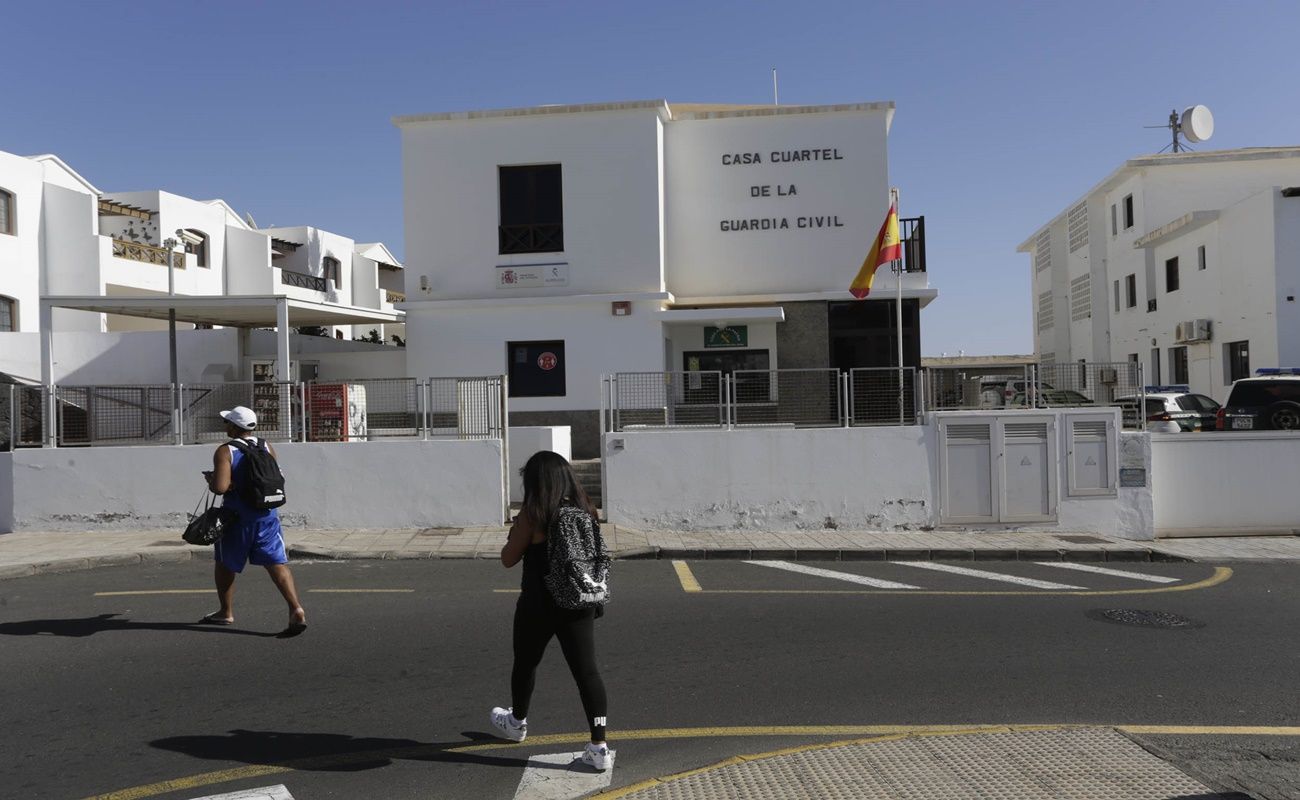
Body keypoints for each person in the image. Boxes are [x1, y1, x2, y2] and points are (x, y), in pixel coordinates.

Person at [490, 450, 613, 770]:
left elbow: (507, 558)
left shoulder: (534, 513)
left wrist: (516, 529)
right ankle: (599, 745)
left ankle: (516, 722)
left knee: (526, 664)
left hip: (539, 605)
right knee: (587, 671)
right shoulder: (586, 509)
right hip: (578, 601)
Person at [200, 405, 307, 637]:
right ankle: (295, 608)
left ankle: (225, 612)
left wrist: (212, 479)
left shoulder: (225, 451)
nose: (225, 425)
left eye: (227, 422)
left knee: (225, 564)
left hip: (237, 518)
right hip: (267, 517)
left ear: (234, 426)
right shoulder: (266, 446)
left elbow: (220, 488)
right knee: (277, 564)